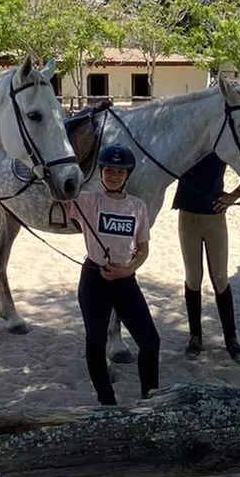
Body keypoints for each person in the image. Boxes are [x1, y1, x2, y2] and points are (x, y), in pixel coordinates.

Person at [69, 144, 161, 405]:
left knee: (150, 341)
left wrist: (128, 269)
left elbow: (143, 249)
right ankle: (106, 400)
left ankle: (150, 396)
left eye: (120, 172)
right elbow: (60, 188)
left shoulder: (138, 206)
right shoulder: (88, 201)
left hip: (125, 281)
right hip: (94, 279)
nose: (114, 176)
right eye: (109, 170)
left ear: (127, 175)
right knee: (96, 341)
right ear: (100, 172)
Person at [171, 153, 240, 363]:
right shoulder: (186, 145)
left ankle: (231, 338)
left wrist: (234, 195)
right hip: (187, 215)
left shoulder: (221, 148)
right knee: (193, 276)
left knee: (220, 277)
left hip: (214, 216)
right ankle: (195, 336)